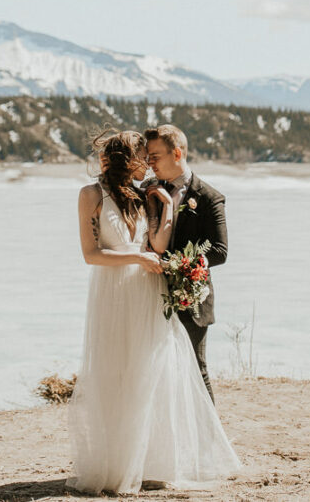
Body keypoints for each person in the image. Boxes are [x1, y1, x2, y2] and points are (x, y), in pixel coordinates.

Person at [65, 129, 241, 495]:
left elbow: (158, 245)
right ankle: (117, 464)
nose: (149, 163)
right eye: (143, 156)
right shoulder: (90, 195)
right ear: (126, 159)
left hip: (147, 291)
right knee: (116, 373)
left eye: (151, 156)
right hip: (113, 293)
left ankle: (151, 463)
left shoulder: (143, 194)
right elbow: (91, 254)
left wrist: (169, 209)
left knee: (154, 374)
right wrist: (137, 257)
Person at [144, 124, 228, 403]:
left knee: (195, 368)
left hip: (190, 297)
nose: (149, 163)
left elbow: (219, 251)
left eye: (154, 156)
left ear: (176, 153)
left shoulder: (208, 197)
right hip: (148, 295)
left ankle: (208, 441)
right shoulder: (146, 191)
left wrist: (179, 265)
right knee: (152, 370)